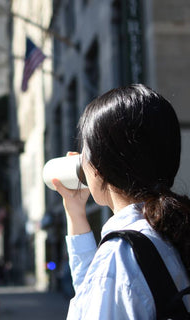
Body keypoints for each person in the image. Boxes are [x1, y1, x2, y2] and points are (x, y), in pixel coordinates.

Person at [52, 84, 190, 319]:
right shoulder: (168, 233)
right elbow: (95, 292)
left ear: (100, 167)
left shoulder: (121, 256)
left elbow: (105, 288)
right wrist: (76, 213)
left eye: (85, 151)